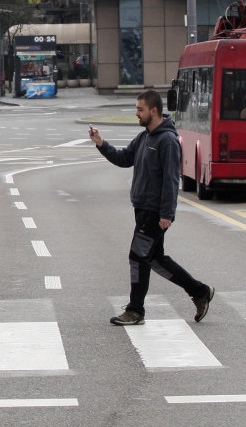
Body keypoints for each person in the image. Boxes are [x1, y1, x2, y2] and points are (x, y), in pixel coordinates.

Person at [89, 90, 214, 326]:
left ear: (153, 111)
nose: (137, 113)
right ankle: (200, 291)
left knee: (138, 257)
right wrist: (101, 144)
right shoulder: (144, 136)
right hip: (142, 208)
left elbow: (171, 180)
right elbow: (125, 158)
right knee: (155, 259)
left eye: (140, 109)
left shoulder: (167, 141)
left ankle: (136, 310)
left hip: (155, 212)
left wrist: (167, 213)